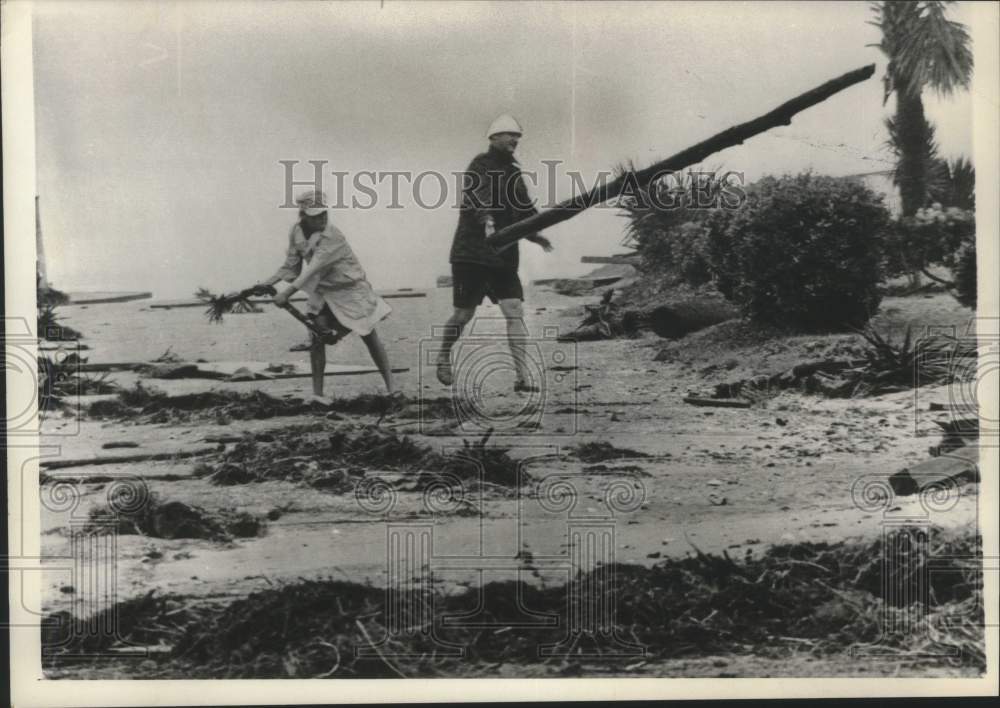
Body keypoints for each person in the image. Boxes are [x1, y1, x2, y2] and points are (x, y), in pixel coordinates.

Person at [436, 114, 553, 391]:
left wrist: (536, 234)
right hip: (473, 252)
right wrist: (487, 221)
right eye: (510, 135)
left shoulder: (513, 172)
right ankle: (443, 355)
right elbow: (478, 197)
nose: (515, 140)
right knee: (463, 315)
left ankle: (522, 377)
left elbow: (524, 208)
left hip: (504, 254)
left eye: (518, 136)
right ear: (494, 138)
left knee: (514, 311)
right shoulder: (480, 164)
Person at [258, 190, 397, 405]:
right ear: (303, 215)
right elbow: (291, 267)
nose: (323, 218)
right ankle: (318, 395)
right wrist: (267, 284)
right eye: (316, 215)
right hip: (322, 290)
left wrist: (286, 294)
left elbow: (312, 269)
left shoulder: (333, 236)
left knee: (369, 334)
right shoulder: (296, 232)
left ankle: (392, 389)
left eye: (324, 213)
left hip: (349, 288)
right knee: (317, 337)